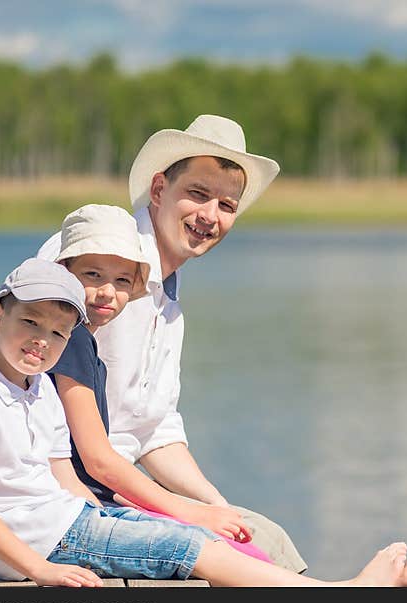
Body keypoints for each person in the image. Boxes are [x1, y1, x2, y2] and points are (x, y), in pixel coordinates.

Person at [0, 257, 407, 586]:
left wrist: (115, 519)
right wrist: (39, 569)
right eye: (29, 323)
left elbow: (63, 475)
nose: (41, 341)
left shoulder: (39, 391)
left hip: (66, 521)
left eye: (58, 334)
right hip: (36, 543)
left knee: (195, 535)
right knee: (183, 545)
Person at [37, 114, 306, 571]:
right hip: (70, 497)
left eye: (227, 204)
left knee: (261, 535)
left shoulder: (167, 301)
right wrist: (189, 511)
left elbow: (153, 430)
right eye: (198, 194)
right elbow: (77, 442)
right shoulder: (96, 262)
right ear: (159, 189)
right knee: (241, 553)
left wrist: (219, 507)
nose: (209, 216)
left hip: (116, 487)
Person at [48, 202, 270, 562]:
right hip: (73, 513)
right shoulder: (70, 341)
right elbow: (95, 461)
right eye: (92, 275)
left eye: (122, 281)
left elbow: (151, 431)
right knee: (225, 551)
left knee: (247, 544)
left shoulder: (85, 341)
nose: (107, 291)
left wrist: (211, 504)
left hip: (96, 497)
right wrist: (191, 512)